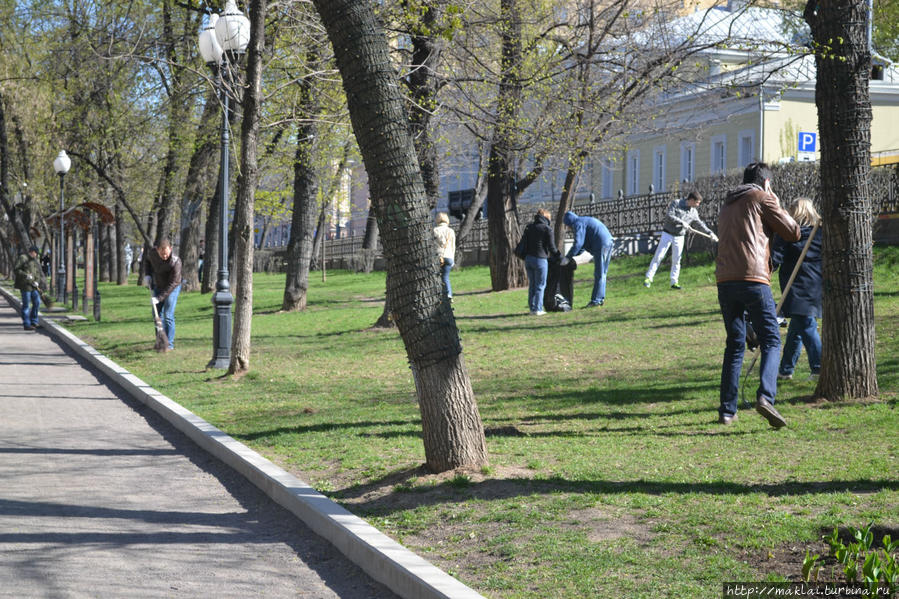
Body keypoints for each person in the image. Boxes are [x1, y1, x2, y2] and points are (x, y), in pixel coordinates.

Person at [715, 162, 800, 428]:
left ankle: (727, 411)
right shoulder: (762, 197)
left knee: (735, 344)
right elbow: (793, 232)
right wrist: (774, 200)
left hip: (725, 280)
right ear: (766, 183)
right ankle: (765, 397)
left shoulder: (728, 204)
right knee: (772, 340)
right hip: (753, 278)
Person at [771, 198, 823, 382]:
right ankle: (785, 370)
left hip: (798, 286)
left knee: (807, 326)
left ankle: (819, 368)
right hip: (816, 285)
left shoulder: (789, 234)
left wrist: (765, 269)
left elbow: (775, 257)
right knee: (797, 327)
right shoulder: (820, 232)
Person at [643, 191, 718, 290]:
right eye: (697, 202)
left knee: (677, 259)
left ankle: (674, 282)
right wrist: (682, 222)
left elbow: (700, 224)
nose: (698, 205)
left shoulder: (693, 212)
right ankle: (648, 278)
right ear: (691, 200)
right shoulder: (677, 203)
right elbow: (669, 215)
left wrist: (710, 233)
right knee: (659, 256)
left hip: (679, 236)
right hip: (668, 234)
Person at [562, 211, 614, 307]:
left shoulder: (577, 223)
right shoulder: (583, 221)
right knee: (602, 274)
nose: (568, 228)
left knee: (599, 274)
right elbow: (581, 247)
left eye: (566, 225)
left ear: (569, 222)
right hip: (607, 243)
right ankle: (599, 299)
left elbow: (578, 243)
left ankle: (596, 301)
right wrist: (571, 256)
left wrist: (568, 257)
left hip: (601, 245)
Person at [142, 239, 182, 350]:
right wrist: (148, 275)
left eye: (166, 254)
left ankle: (169, 344)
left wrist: (159, 298)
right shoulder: (153, 254)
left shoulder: (175, 262)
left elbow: (173, 283)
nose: (164, 256)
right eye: (162, 254)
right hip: (158, 286)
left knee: (168, 315)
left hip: (172, 288)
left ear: (171, 249)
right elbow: (147, 261)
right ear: (158, 250)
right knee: (156, 315)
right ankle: (160, 342)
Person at [519, 209, 560, 315]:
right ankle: (538, 309)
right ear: (546, 217)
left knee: (532, 284)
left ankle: (532, 308)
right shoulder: (547, 229)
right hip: (540, 260)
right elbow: (552, 247)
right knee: (540, 285)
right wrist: (559, 256)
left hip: (528, 259)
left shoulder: (529, 227)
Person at [14, 246, 47, 331]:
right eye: (35, 253)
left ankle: (34, 322)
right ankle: (27, 324)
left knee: (37, 303)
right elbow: (16, 270)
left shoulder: (34, 260)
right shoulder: (23, 258)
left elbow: (38, 273)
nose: (36, 255)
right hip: (25, 286)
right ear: (32, 251)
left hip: (34, 286)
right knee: (26, 305)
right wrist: (26, 275)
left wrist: (37, 281)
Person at [433, 213, 456, 301]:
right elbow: (453, 246)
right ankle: (449, 294)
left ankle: (438, 295)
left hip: (438, 257)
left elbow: (433, 245)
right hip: (449, 256)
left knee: (437, 277)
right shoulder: (451, 231)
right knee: (445, 277)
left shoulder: (434, 230)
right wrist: (452, 260)